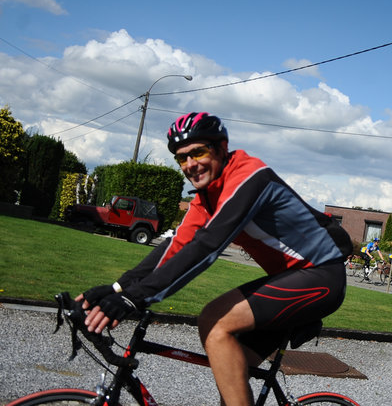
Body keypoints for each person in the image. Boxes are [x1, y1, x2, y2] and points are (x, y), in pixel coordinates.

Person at [76, 112, 352, 406]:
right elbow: (176, 246)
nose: (190, 165)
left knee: (214, 320)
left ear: (221, 148)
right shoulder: (207, 196)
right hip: (289, 279)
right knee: (230, 374)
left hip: (322, 276)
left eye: (198, 152)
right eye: (182, 158)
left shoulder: (249, 177)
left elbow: (207, 246)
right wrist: (118, 288)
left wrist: (137, 298)